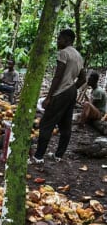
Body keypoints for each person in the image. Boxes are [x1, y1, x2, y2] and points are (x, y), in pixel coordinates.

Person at [31, 29, 86, 164]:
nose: (57, 41)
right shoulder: (78, 56)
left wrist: (49, 97)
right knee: (66, 125)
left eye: (59, 39)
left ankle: (38, 157)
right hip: (71, 92)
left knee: (46, 124)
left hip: (61, 93)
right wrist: (72, 88)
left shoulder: (64, 53)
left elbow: (57, 76)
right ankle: (59, 155)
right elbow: (83, 78)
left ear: (67, 40)